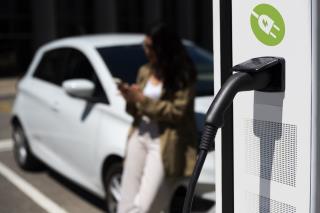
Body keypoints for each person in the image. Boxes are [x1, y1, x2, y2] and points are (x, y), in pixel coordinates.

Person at [117, 23, 197, 213]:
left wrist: (142, 100)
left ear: (163, 49)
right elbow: (135, 111)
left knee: (148, 206)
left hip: (165, 142)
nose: (145, 50)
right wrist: (130, 97)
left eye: (149, 47)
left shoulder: (183, 74)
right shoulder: (145, 71)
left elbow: (177, 113)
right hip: (139, 134)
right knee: (126, 202)